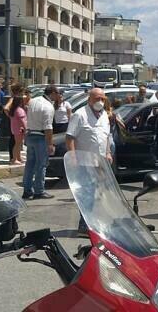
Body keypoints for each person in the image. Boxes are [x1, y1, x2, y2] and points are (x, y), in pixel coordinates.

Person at [66, 88, 114, 237]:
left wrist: (108, 152)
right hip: (84, 162)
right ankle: (84, 225)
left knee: (97, 194)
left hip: (100, 162)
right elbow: (70, 137)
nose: (99, 101)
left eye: (102, 99)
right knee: (86, 193)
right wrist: (73, 156)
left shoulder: (105, 115)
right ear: (89, 99)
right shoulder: (80, 115)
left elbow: (105, 136)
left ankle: (92, 222)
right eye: (96, 98)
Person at [23, 85, 59, 200]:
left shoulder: (33, 101)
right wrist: (50, 144)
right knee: (41, 165)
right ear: (52, 93)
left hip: (30, 134)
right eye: (57, 93)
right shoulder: (48, 107)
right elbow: (48, 127)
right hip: (40, 137)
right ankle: (39, 190)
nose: (58, 96)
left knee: (29, 165)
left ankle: (27, 190)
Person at [8, 89, 28, 165]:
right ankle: (14, 159)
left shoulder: (14, 109)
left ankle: (18, 157)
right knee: (17, 144)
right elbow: (23, 121)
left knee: (19, 144)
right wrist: (26, 128)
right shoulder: (19, 110)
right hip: (19, 129)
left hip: (15, 129)